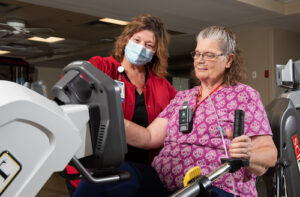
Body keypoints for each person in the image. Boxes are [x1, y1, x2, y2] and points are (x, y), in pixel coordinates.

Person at [74, 26, 278, 197]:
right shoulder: (183, 97)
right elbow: (148, 137)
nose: (200, 60)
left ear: (229, 60)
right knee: (105, 177)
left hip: (215, 186)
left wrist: (248, 153)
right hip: (162, 183)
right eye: (197, 54)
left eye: (209, 55)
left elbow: (269, 155)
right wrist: (108, 118)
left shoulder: (243, 95)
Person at [66, 14, 177, 195]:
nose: (141, 47)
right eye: (137, 40)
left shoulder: (161, 84)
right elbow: (70, 95)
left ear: (156, 51)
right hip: (96, 171)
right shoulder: (101, 67)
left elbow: (185, 108)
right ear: (127, 40)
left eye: (149, 45)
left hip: (140, 173)